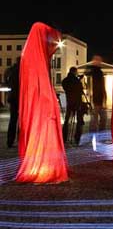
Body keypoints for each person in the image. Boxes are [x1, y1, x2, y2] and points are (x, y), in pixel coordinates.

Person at [15, 22, 68, 183]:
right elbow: (40, 84)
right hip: (40, 107)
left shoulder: (29, 54)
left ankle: (40, 163)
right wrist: (50, 102)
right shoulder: (34, 56)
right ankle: (42, 166)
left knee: (37, 130)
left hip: (34, 107)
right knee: (43, 131)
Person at [62, 67, 86, 145]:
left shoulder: (65, 81)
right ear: (75, 72)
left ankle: (64, 137)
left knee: (67, 121)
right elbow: (80, 90)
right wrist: (79, 80)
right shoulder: (76, 81)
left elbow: (67, 88)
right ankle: (77, 138)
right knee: (79, 121)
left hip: (69, 103)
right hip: (77, 103)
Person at [85, 55, 107, 133]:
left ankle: (96, 132)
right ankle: (96, 132)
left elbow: (101, 86)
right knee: (97, 118)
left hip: (98, 98)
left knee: (98, 118)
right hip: (96, 99)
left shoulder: (96, 72)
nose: (99, 62)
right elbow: (98, 86)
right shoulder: (94, 72)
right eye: (97, 60)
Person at [5, 57, 20, 148]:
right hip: (21, 98)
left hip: (12, 97)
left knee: (13, 120)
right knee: (22, 121)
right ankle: (20, 140)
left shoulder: (10, 70)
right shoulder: (23, 70)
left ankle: (10, 141)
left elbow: (6, 81)